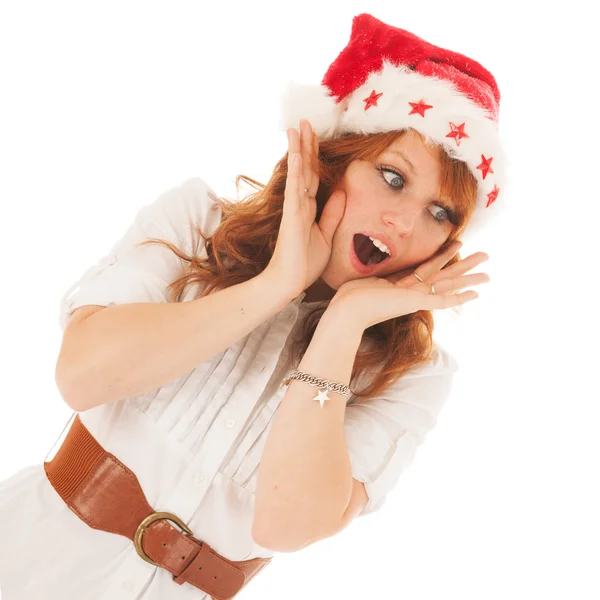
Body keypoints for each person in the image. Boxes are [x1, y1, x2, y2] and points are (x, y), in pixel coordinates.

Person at [0, 12, 506, 600]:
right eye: (393, 177)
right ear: (332, 157)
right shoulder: (195, 222)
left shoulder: (415, 374)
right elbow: (81, 376)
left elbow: (285, 524)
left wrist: (340, 329)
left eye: (440, 213)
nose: (405, 222)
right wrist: (277, 285)